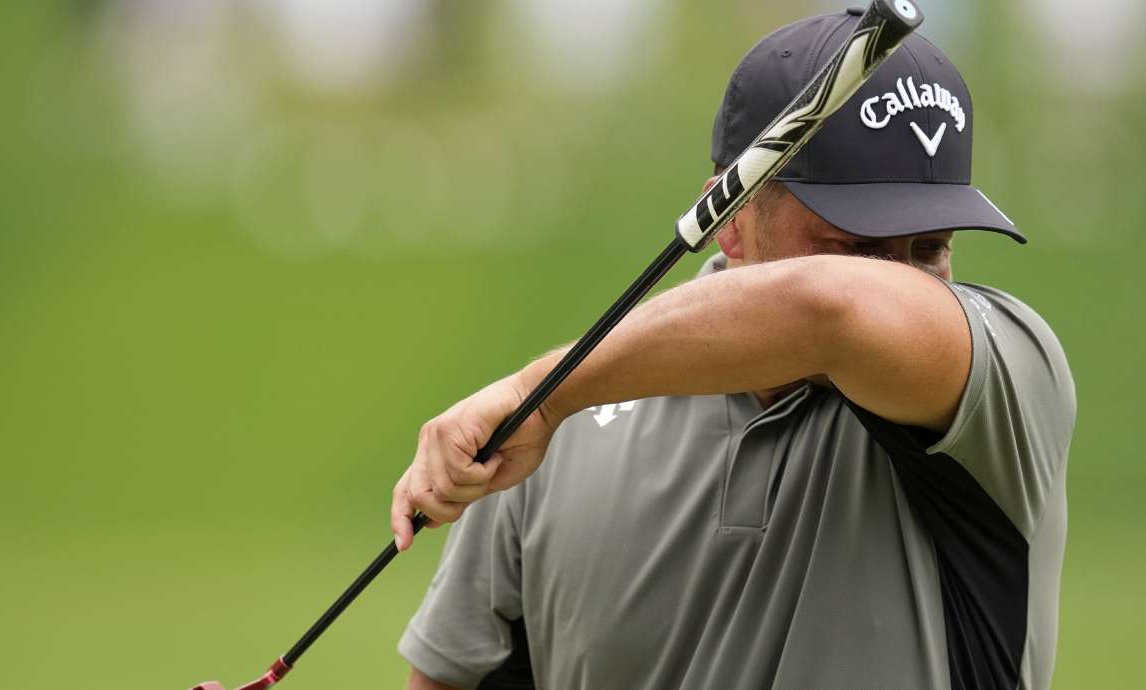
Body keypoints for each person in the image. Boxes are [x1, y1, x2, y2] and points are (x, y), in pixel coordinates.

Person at [390, 9, 1076, 690]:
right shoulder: (562, 424)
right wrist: (547, 403)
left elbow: (835, 308)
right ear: (729, 219)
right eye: (855, 243)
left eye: (930, 248)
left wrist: (538, 397)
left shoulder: (1005, 378)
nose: (898, 279)